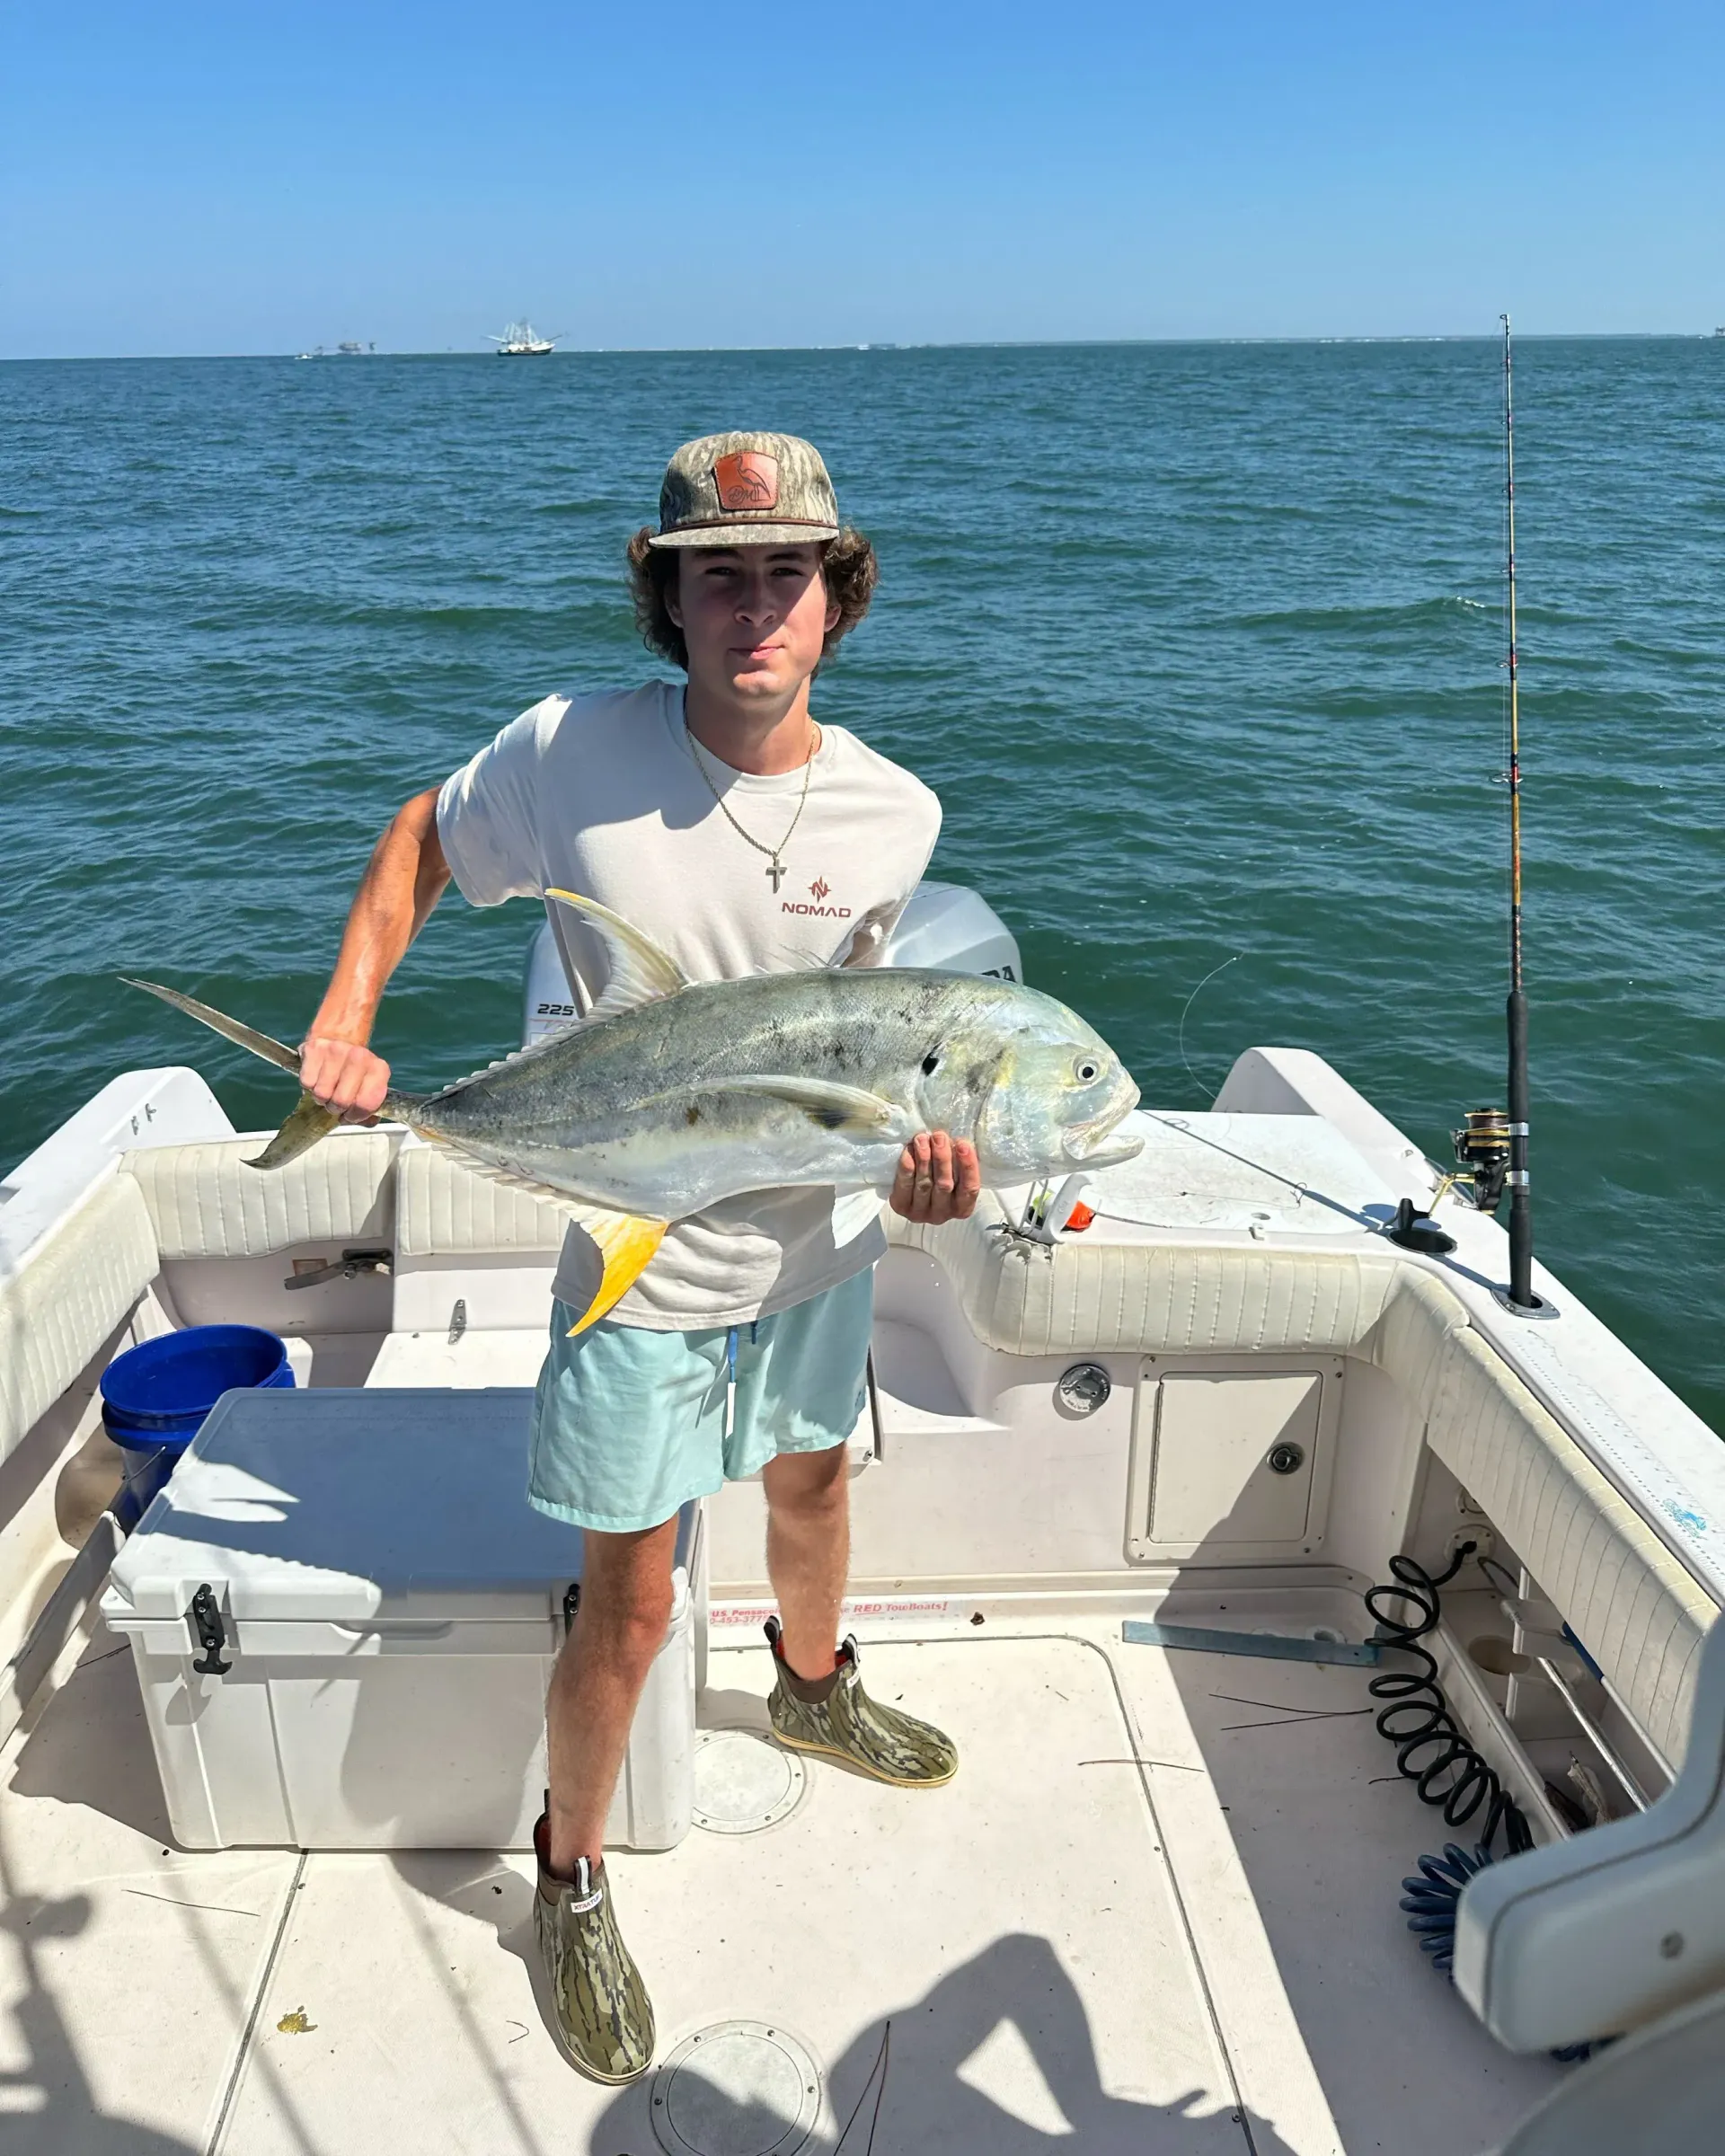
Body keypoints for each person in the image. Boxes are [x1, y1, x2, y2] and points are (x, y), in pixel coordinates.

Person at [296, 432, 980, 2083]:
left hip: (810, 1256)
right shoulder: (569, 757)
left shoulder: (896, 813)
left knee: (816, 1489)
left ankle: (813, 1685)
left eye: (787, 573)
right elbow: (418, 849)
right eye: (717, 575)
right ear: (667, 603)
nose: (756, 607)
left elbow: (877, 1063)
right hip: (638, 1264)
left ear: (839, 598)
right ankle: (569, 1871)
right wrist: (342, 1019)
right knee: (636, 1601)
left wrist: (934, 1176)